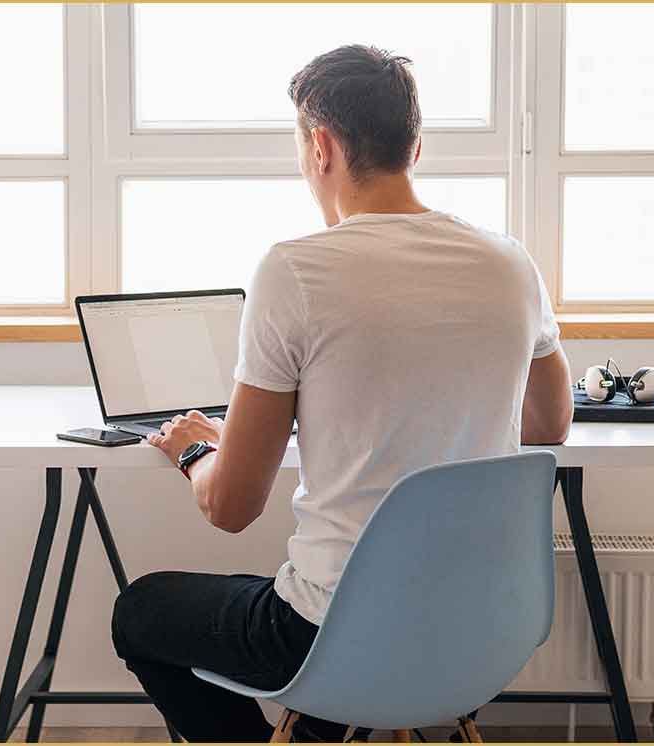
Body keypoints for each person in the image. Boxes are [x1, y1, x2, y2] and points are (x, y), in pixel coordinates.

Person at [111, 44, 573, 743]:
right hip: (478, 637)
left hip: (331, 637)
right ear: (414, 145)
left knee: (142, 611)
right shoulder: (511, 262)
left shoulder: (296, 271)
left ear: (320, 146)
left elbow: (231, 507)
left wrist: (194, 451)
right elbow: (550, 422)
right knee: (318, 597)